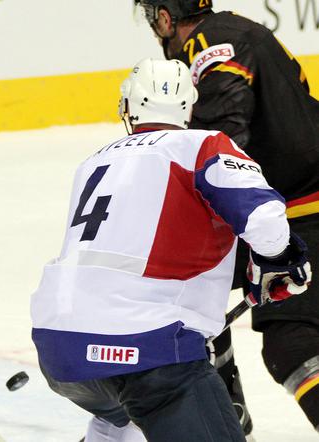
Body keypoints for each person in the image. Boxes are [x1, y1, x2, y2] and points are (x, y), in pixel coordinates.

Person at [31, 58, 312, 442]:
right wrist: (280, 259)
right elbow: (263, 219)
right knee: (152, 390)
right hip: (147, 346)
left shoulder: (95, 160)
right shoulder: (201, 144)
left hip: (60, 350)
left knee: (124, 412)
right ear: (190, 108)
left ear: (127, 106)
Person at [134, 0, 319, 435]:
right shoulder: (232, 30)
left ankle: (214, 410)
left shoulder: (210, 42)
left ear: (164, 17)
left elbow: (224, 138)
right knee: (198, 296)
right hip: (291, 205)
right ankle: (222, 409)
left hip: (302, 210)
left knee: (292, 343)